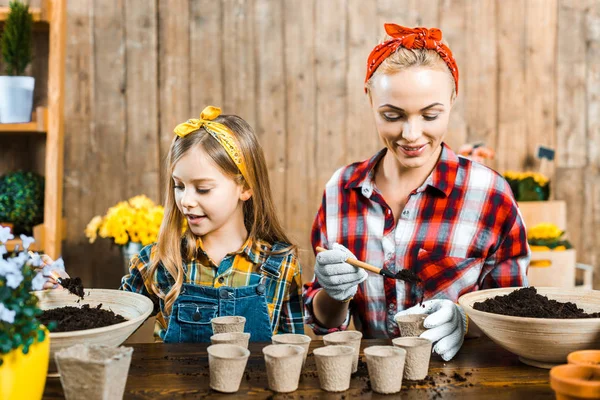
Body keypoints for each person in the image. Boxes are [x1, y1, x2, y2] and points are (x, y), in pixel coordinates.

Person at [304, 24, 530, 361]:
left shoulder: (491, 195)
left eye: (430, 115)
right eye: (392, 115)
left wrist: (467, 321)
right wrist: (335, 293)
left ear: (453, 99)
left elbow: (515, 313)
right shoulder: (341, 190)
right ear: (369, 98)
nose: (411, 134)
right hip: (376, 380)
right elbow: (325, 323)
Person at [43, 106, 304, 342]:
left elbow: (295, 355)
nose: (186, 201)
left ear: (245, 187)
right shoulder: (158, 261)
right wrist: (66, 294)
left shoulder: (281, 263)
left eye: (202, 189)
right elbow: (108, 319)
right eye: (179, 186)